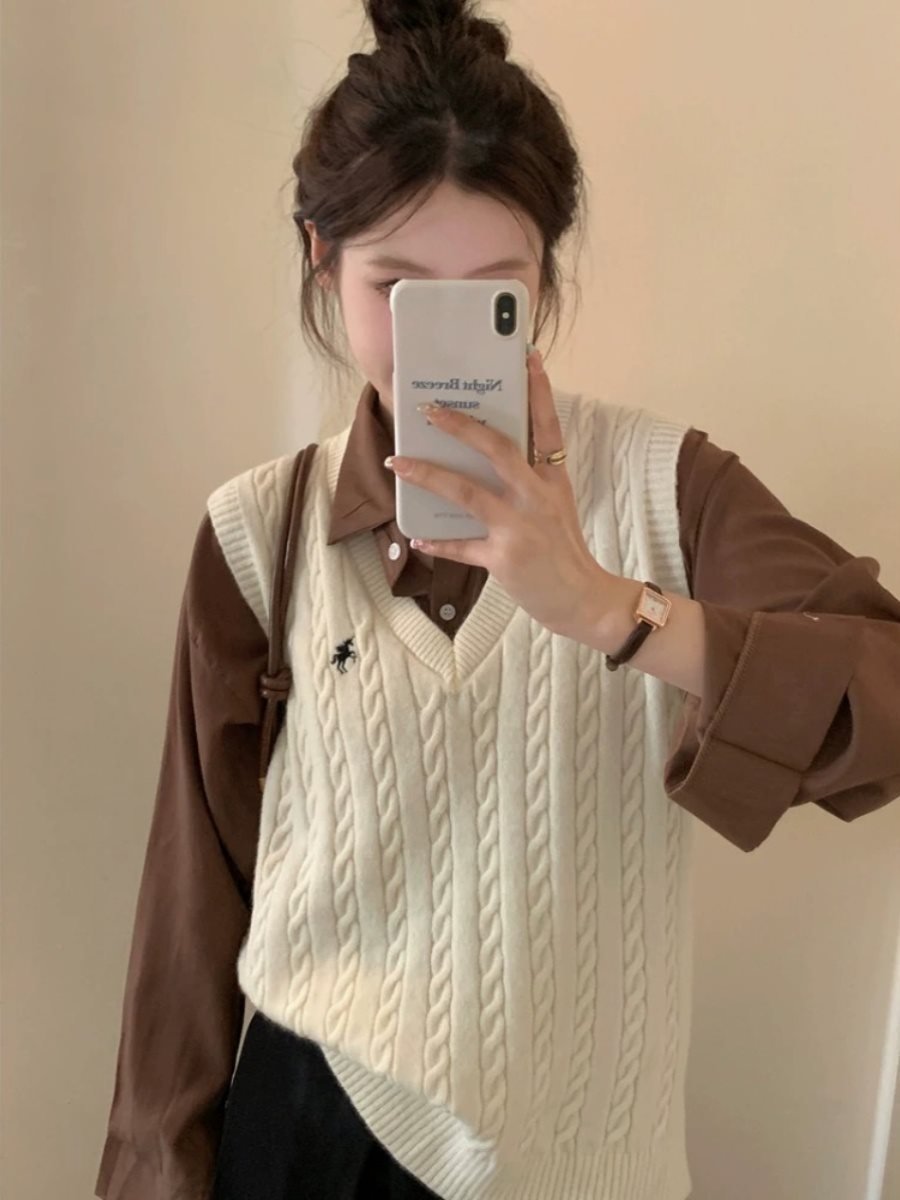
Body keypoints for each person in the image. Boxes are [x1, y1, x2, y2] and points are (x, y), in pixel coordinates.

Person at [94, 1, 900, 1198]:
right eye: (399, 288)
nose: (441, 343)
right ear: (322, 256)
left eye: (493, 296)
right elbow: (190, 918)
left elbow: (883, 697)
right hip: (306, 1140)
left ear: (543, 279)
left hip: (580, 1164)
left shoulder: (666, 490)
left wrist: (611, 610)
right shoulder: (259, 534)